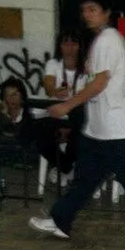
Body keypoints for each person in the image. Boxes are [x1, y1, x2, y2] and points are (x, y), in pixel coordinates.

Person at [28, 0, 125, 248]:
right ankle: (60, 220)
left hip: (114, 128)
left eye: (93, 9)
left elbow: (99, 82)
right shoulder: (99, 41)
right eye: (84, 10)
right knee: (85, 180)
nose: (87, 15)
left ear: (107, 12)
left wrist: (67, 106)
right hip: (98, 129)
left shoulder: (108, 40)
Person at [39, 27, 86, 176]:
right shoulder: (53, 64)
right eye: (65, 44)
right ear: (59, 46)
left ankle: (65, 166)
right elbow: (48, 87)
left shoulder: (88, 65)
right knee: (41, 135)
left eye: (74, 44)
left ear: (80, 46)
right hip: (57, 114)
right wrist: (56, 92)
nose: (70, 48)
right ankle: (66, 167)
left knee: (81, 136)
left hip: (79, 115)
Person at [0, 78, 33, 148]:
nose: (12, 98)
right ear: (3, 99)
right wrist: (3, 115)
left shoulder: (31, 115)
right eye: (7, 95)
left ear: (22, 96)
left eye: (15, 94)